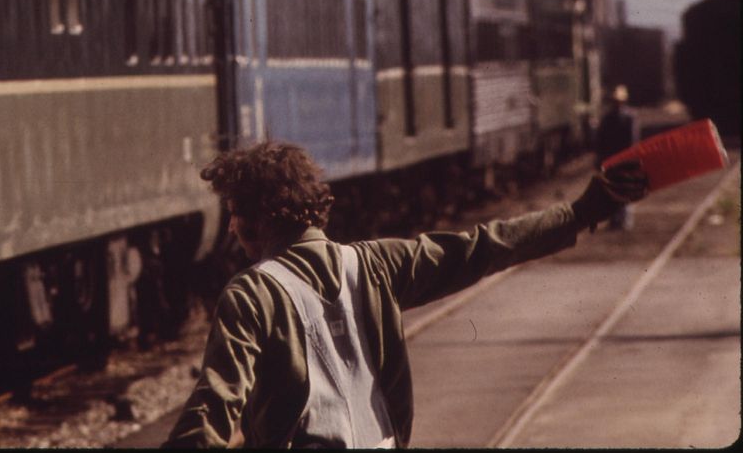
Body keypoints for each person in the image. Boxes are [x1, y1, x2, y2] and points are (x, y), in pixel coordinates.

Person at [162, 141, 648, 449]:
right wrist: (586, 209)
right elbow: (485, 247)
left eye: (236, 212)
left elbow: (215, 406)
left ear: (263, 217)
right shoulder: (375, 264)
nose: (232, 227)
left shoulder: (250, 294)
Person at [595, 85, 641, 230]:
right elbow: (633, 140)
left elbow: (601, 140)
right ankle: (621, 220)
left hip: (615, 158)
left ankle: (619, 219)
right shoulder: (629, 117)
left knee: (617, 189)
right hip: (619, 158)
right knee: (620, 189)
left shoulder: (608, 118)